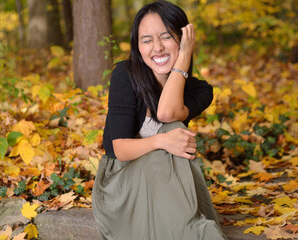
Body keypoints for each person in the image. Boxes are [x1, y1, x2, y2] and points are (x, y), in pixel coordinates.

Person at [92, 1, 228, 239]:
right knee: (167, 142)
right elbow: (120, 148)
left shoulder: (200, 91)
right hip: (120, 181)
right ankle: (192, 230)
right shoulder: (125, 75)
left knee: (174, 127)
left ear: (184, 37)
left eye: (166, 37)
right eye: (146, 40)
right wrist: (160, 142)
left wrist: (184, 55)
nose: (157, 48)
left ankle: (190, 227)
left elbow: (166, 113)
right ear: (138, 46)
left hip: (164, 180)